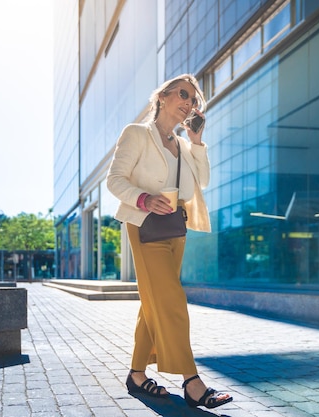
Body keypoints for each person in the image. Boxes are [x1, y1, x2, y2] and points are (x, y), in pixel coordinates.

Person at [106, 74, 233, 409]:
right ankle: (192, 381)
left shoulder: (183, 145)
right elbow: (114, 180)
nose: (189, 103)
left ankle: (136, 375)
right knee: (172, 299)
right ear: (161, 96)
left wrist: (196, 140)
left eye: (193, 100)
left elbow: (202, 180)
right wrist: (144, 199)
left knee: (154, 301)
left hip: (176, 228)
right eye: (183, 95)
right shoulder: (136, 134)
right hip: (146, 224)